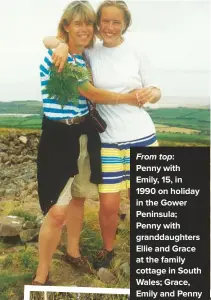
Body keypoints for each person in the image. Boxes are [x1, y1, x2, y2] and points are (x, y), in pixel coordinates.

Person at [43, 0, 161, 272]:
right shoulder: (91, 50)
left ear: (125, 25)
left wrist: (152, 93)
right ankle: (108, 250)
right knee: (108, 205)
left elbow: (156, 89)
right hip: (107, 140)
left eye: (116, 22)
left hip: (143, 136)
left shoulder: (138, 51)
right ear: (98, 24)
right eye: (104, 21)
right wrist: (61, 45)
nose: (109, 27)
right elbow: (48, 39)